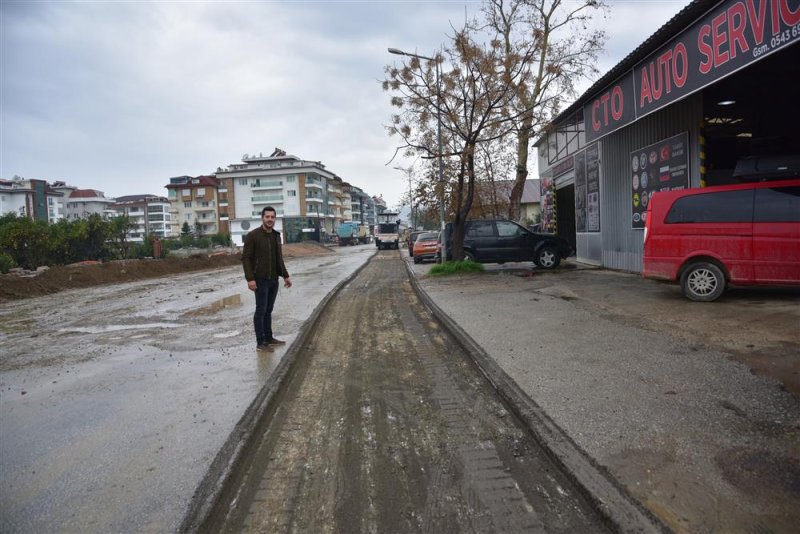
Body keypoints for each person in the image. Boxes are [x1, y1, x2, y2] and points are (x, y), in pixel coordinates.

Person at [242, 206, 292, 352]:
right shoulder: (253, 235)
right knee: (261, 310)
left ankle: (269, 338)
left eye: (272, 217)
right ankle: (260, 342)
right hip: (260, 280)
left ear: (275, 219)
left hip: (273, 280)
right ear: (262, 218)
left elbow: (279, 258)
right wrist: (250, 279)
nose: (270, 219)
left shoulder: (276, 236)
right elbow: (246, 258)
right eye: (267, 217)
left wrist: (286, 275)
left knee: (268, 310)